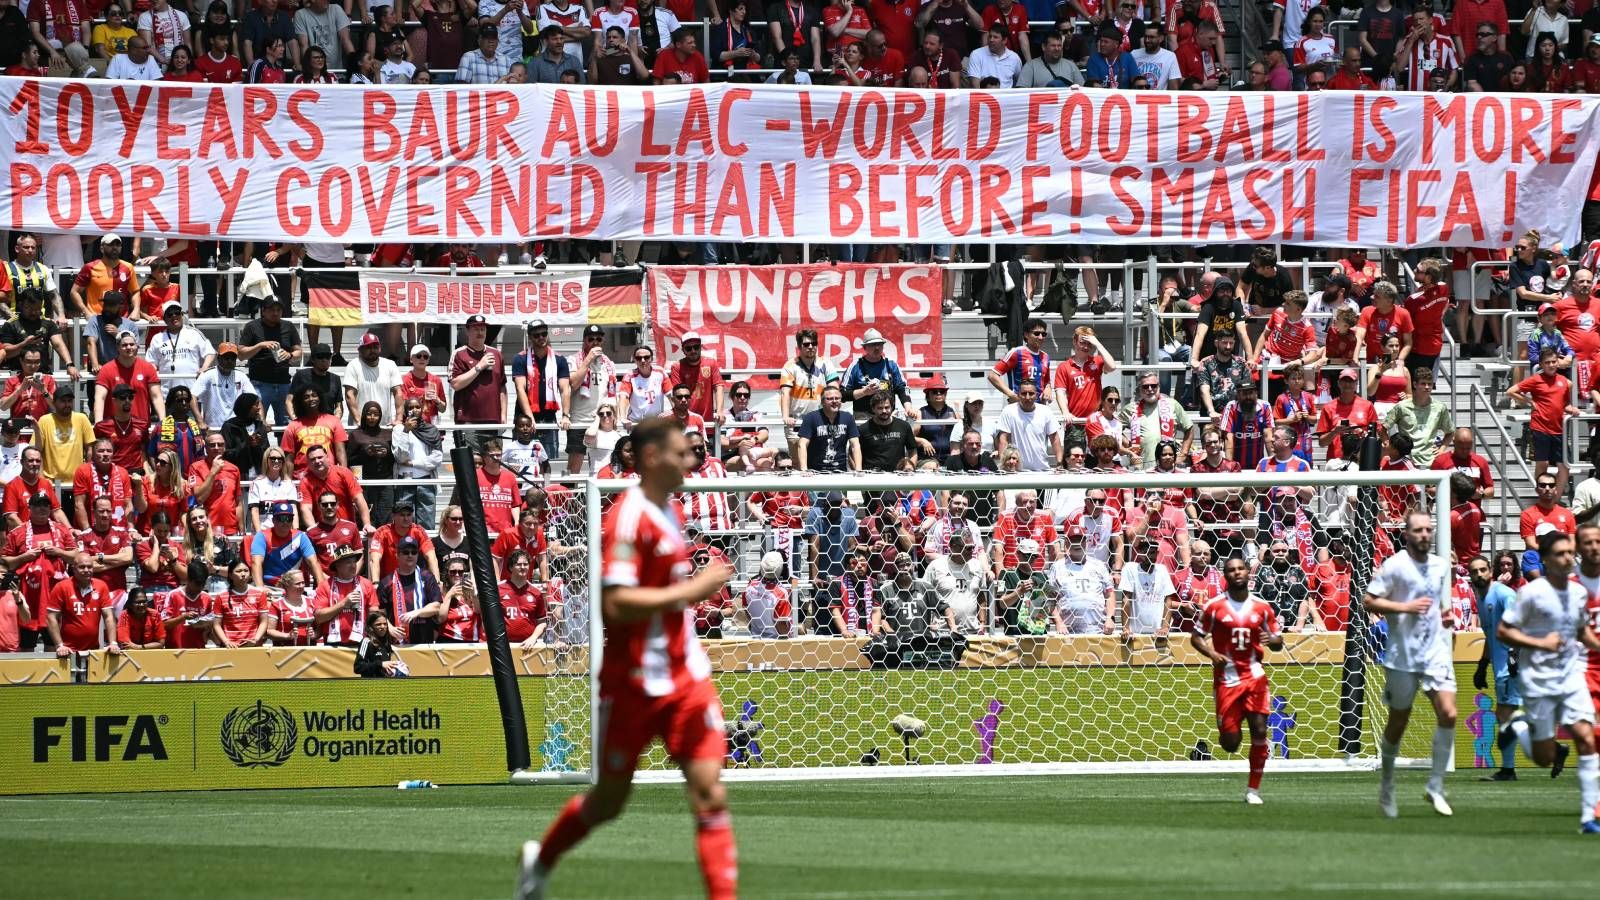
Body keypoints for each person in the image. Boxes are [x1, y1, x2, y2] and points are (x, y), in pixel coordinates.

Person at [517, 416, 737, 900]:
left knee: (710, 793)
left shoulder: (669, 511)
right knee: (609, 802)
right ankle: (541, 859)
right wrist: (693, 590)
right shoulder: (628, 516)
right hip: (633, 683)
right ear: (654, 458)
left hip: (685, 679)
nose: (692, 461)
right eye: (684, 452)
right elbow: (614, 602)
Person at [1496, 528, 1600, 833]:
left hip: (1570, 675)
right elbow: (1504, 631)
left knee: (1585, 737)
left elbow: (1581, 632)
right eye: (1560, 554)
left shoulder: (1579, 592)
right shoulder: (1532, 593)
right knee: (1543, 758)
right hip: (1538, 679)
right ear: (1545, 560)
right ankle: (1518, 726)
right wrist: (1540, 644)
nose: (1568, 558)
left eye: (1570, 552)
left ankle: (1588, 818)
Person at [1365, 510, 1457, 818]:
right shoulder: (1395, 566)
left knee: (1449, 712)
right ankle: (1387, 785)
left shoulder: (1441, 566)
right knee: (1398, 722)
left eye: (1428, 529)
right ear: (1406, 534)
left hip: (1435, 652)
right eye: (1418, 530)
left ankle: (1436, 785)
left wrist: (1445, 614)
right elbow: (1370, 600)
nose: (1424, 535)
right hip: (1402, 655)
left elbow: (1436, 601)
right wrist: (1404, 606)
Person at [1191, 555, 1285, 805]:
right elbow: (1196, 637)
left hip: (1254, 676)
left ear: (1247, 572)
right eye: (1231, 570)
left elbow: (1277, 641)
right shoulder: (1214, 606)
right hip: (1226, 679)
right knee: (1231, 743)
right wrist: (1211, 653)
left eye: (1241, 568)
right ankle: (1230, 728)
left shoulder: (1261, 607)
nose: (1237, 573)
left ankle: (1253, 791)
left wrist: (1272, 640)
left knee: (1260, 729)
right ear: (1225, 575)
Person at [1469, 553, 1522, 781]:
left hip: (1512, 665)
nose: (1479, 574)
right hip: (1500, 665)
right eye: (1474, 571)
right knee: (1505, 715)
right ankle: (1508, 769)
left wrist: (1514, 656)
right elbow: (1490, 635)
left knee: (1506, 715)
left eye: (1483, 570)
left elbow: (1518, 624)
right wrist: (1482, 665)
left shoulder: (1503, 594)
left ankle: (1510, 769)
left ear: (1491, 571)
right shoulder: (1481, 598)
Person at [1508, 346, 1580, 499]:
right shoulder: (1536, 379)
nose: (1551, 365)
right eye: (1547, 362)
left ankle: (1555, 499)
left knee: (1564, 466)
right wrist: (1529, 401)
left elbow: (1563, 404)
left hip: (1559, 430)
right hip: (1540, 428)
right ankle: (1542, 495)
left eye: (1554, 362)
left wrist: (1571, 409)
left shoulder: (1565, 382)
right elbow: (1511, 391)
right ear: (1541, 364)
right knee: (1543, 463)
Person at [46, 553, 116, 656]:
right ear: (73, 569)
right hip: (68, 651)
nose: (87, 570)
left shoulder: (101, 586)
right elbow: (50, 617)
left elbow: (109, 616)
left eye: (89, 567)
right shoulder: (62, 587)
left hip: (93, 650)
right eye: (82, 567)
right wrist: (59, 645)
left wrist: (113, 643)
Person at [354, 609, 406, 676]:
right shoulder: (367, 642)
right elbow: (358, 667)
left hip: (384, 685)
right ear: (370, 627)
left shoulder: (386, 643)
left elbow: (385, 666)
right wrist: (380, 664)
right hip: (371, 685)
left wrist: (398, 668)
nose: (383, 627)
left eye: (385, 624)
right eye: (378, 624)